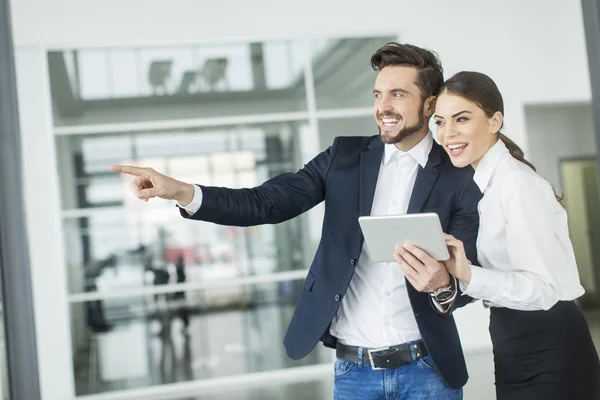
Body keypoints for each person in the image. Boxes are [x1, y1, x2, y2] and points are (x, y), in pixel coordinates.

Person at [111, 43, 482, 399]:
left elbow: (472, 271)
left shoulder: (458, 174)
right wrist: (180, 191)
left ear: (430, 103)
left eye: (397, 94)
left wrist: (443, 285)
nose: (383, 106)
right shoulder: (344, 157)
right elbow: (264, 203)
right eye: (377, 95)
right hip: (355, 373)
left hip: (428, 370)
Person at [394, 71, 600, 399]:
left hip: (550, 346)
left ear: (495, 121)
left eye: (461, 119)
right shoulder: (486, 187)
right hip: (512, 342)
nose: (448, 134)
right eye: (440, 122)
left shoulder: (516, 184)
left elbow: (543, 290)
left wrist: (468, 274)